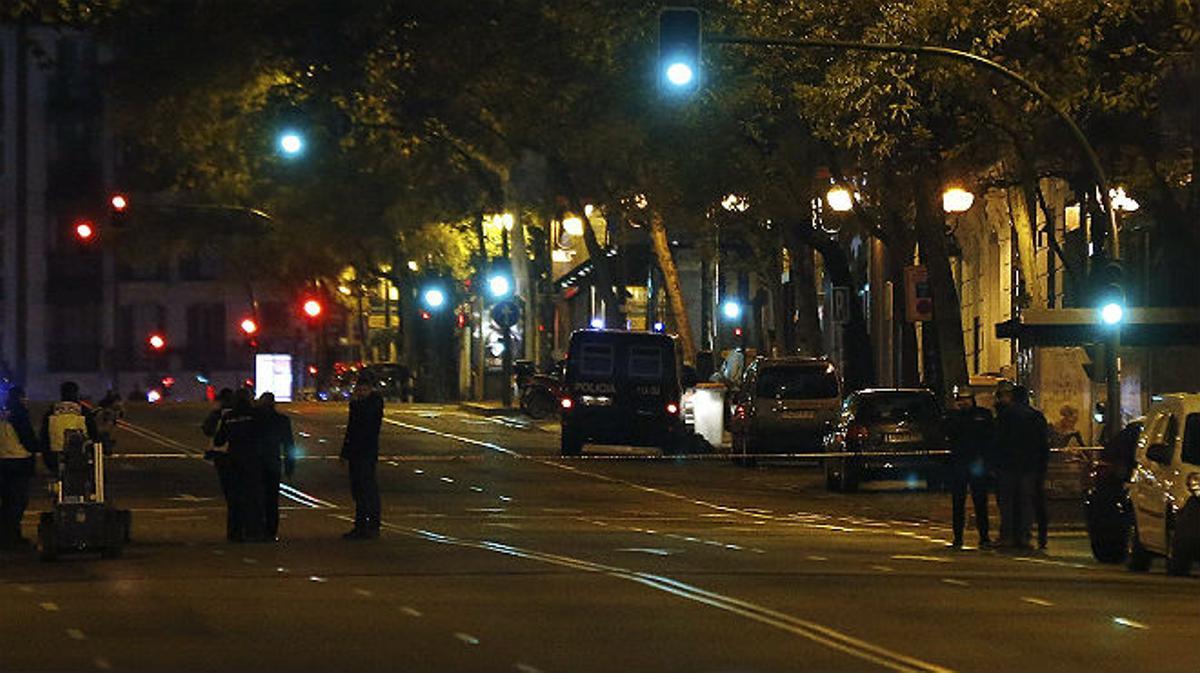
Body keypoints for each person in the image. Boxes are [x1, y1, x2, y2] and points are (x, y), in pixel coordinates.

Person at [993, 385, 1049, 550]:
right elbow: (1042, 444)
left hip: (1008, 465)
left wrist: (995, 463)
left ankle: (1008, 536)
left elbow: (998, 441)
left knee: (1007, 503)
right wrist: (1041, 466)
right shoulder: (1036, 417)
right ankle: (1024, 536)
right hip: (1029, 466)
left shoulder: (1005, 416)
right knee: (1026, 503)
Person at [944, 386, 994, 549]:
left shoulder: (983, 415)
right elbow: (947, 433)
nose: (964, 402)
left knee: (980, 501)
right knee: (958, 502)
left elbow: (990, 437)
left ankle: (984, 536)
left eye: (966, 399)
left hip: (977, 462)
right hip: (959, 462)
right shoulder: (953, 417)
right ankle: (958, 537)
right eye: (961, 400)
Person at [213, 389, 266, 542]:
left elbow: (219, 440)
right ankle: (254, 531)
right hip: (253, 459)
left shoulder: (229, 417)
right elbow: (264, 434)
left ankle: (234, 532)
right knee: (254, 497)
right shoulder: (256, 415)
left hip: (234, 459)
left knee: (235, 498)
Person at [341, 378, 383, 540]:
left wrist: (355, 404)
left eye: (363, 390)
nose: (360, 393)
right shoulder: (358, 405)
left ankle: (371, 525)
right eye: (358, 390)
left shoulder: (372, 404)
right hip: (356, 453)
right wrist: (345, 453)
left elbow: (365, 423)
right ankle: (361, 525)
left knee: (367, 489)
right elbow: (351, 430)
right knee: (358, 490)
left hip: (366, 452)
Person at [0, 387, 40, 550]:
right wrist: (37, 447)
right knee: (17, 502)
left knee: (7, 502)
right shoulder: (19, 414)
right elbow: (28, 439)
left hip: (2, 462)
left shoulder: (4, 414)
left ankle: (7, 536)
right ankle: (11, 539)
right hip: (18, 462)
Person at [255, 392, 295, 541]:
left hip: (256, 463)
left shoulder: (255, 419)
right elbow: (288, 444)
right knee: (272, 500)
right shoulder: (282, 420)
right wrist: (289, 466)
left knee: (257, 497)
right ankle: (271, 531)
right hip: (273, 462)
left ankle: (258, 528)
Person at [202, 388, 239, 541]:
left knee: (231, 494)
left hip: (221, 455)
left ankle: (234, 530)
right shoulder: (239, 413)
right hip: (240, 456)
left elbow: (207, 430)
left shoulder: (219, 414)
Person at [40, 381, 98, 473]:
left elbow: (43, 436)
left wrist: (47, 458)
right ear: (76, 393)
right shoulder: (83, 411)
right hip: (78, 456)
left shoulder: (51, 411)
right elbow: (94, 434)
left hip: (55, 456)